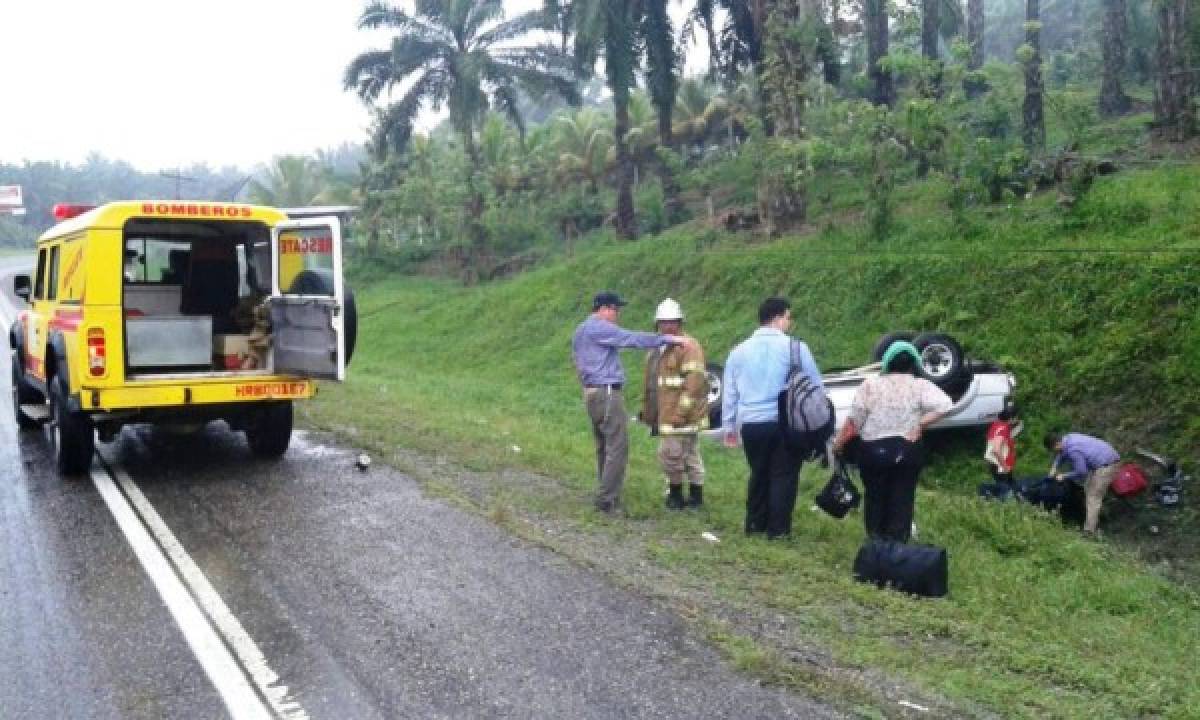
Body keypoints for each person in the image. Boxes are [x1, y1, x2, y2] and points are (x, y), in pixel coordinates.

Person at [573, 291, 689, 513]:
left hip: (591, 392)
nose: (617, 315)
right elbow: (631, 338)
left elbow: (576, 361)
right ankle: (607, 500)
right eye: (616, 310)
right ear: (605, 308)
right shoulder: (599, 327)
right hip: (607, 392)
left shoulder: (580, 330)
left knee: (604, 446)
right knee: (617, 447)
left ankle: (605, 490)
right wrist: (667, 339)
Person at [721, 297, 822, 539]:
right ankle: (778, 531)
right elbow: (815, 387)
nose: (790, 322)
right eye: (788, 317)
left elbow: (729, 392)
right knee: (784, 476)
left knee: (758, 473)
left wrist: (729, 428)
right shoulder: (796, 348)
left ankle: (755, 525)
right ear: (777, 318)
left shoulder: (738, 351)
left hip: (752, 425)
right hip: (785, 424)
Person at [831, 341, 952, 543]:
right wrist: (920, 425)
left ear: (886, 362)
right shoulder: (920, 385)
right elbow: (946, 405)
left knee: (875, 498)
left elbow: (854, 422)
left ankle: (876, 546)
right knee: (902, 500)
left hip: (873, 451)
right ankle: (897, 551)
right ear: (914, 362)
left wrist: (839, 444)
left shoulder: (870, 385)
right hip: (906, 451)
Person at [640, 298, 709, 509]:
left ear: (680, 323)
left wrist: (681, 412)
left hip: (680, 416)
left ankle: (678, 496)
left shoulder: (688, 347)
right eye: (663, 322)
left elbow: (694, 383)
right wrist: (648, 412)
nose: (667, 326)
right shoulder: (658, 348)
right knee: (687, 455)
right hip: (667, 414)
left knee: (671, 455)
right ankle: (694, 497)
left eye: (672, 322)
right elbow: (653, 385)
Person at [1044, 431, 1120, 534]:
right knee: (1087, 488)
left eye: (1053, 450)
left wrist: (1064, 476)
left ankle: (1089, 531)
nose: (1054, 452)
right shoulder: (1067, 438)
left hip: (1107, 465)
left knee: (1092, 496)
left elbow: (1081, 472)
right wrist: (1054, 467)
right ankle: (1097, 515)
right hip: (1100, 462)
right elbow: (1061, 454)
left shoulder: (1073, 450)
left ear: (1057, 444)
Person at [984, 402, 1021, 488]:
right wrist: (1005, 467)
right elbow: (996, 450)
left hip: (995, 462)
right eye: (1016, 417)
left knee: (1010, 483)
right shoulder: (1003, 429)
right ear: (1011, 418)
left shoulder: (997, 424)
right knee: (1005, 489)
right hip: (999, 464)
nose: (1017, 419)